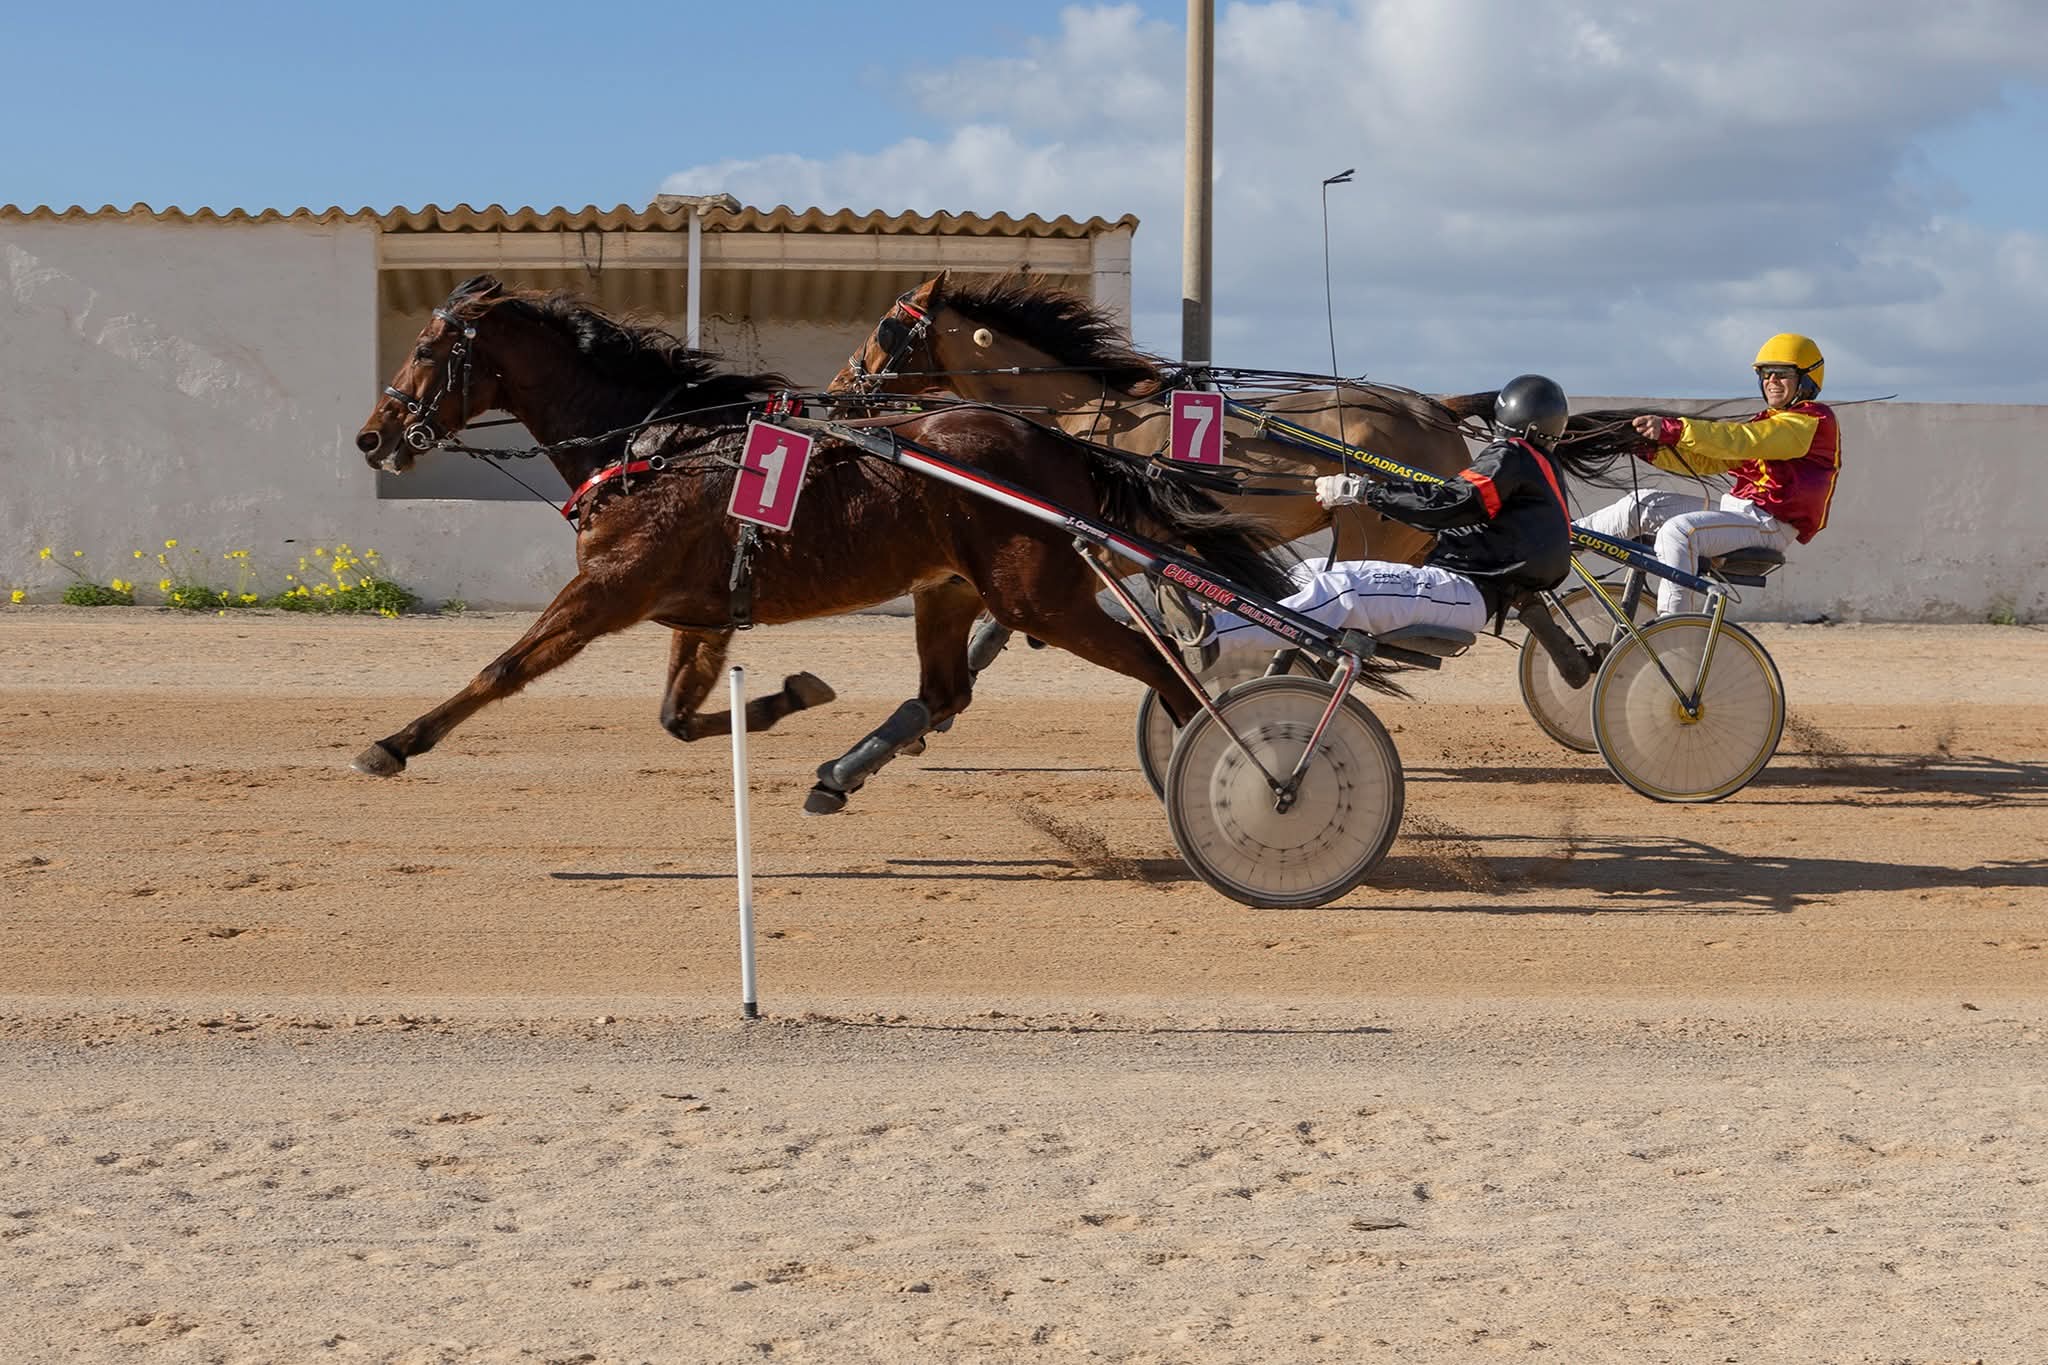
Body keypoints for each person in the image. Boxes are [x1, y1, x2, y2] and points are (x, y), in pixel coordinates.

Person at [1157, 374, 1576, 668]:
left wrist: (1362, 491)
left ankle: (1214, 636)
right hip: (1457, 589)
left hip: (1464, 593)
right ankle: (1220, 619)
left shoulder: (1512, 457)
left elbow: (1449, 503)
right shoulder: (1540, 467)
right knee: (1308, 572)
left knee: (1338, 590)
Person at [1574, 333, 1841, 616]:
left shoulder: (1813, 421)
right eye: (1765, 373)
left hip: (1769, 527)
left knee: (1679, 532)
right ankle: (1565, 540)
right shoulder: (1769, 422)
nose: (1772, 381)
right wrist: (1649, 450)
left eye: (1783, 374)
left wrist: (1674, 429)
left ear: (1808, 379)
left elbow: (1742, 439)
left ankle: (1675, 631)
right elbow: (1709, 460)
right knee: (1641, 504)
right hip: (1740, 516)